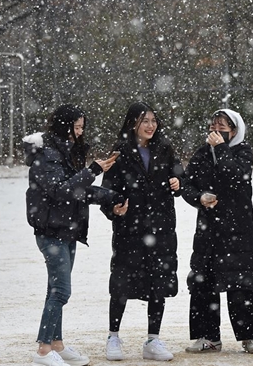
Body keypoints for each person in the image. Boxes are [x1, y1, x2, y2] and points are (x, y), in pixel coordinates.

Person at [24, 104, 122, 366]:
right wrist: (94, 170)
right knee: (61, 292)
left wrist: (111, 198)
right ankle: (44, 350)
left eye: (82, 128)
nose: (79, 133)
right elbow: (61, 190)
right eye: (76, 127)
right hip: (51, 231)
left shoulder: (69, 152)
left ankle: (57, 343)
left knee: (54, 289)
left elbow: (80, 191)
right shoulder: (48, 153)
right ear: (63, 126)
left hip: (68, 229)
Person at [100, 102, 184, 362]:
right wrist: (114, 208)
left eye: (153, 120)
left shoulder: (165, 149)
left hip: (161, 228)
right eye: (144, 121)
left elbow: (182, 177)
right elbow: (107, 190)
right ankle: (113, 336)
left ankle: (153, 339)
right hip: (130, 229)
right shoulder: (120, 152)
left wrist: (178, 182)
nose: (150, 126)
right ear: (132, 124)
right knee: (122, 283)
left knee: (158, 283)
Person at [182, 109, 253, 354]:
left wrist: (222, 149)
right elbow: (186, 183)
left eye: (223, 126)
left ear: (234, 131)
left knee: (240, 284)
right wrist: (199, 197)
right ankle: (208, 337)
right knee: (202, 281)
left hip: (237, 230)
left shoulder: (242, 152)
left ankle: (248, 336)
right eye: (213, 125)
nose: (216, 130)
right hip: (207, 230)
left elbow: (237, 177)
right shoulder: (202, 154)